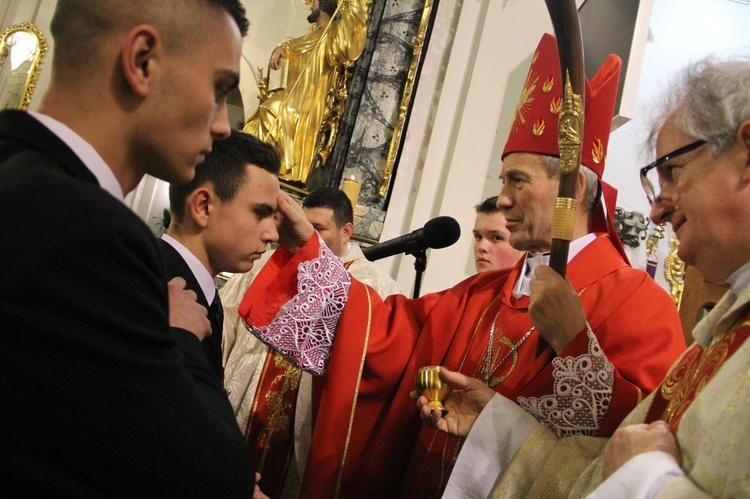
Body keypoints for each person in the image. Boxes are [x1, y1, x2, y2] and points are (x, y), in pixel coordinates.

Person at [235, 33, 686, 498]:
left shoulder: (638, 305)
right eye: (502, 180)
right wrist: (311, 251)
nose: (504, 198)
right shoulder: (481, 294)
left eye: (518, 181)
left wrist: (575, 347)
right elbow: (382, 336)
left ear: (571, 187)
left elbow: (642, 452)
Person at [420, 56, 750, 499]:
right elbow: (596, 470)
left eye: (672, 171)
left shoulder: (635, 301)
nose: (656, 208)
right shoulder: (726, 328)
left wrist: (578, 347)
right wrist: (494, 424)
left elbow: (625, 447)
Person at [0, 1, 260, 496]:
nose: (225, 125)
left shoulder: (17, 173)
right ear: (142, 61)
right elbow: (213, 478)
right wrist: (180, 337)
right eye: (219, 90)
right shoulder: (89, 232)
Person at [221, 186, 403, 497]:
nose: (306, 234)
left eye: (318, 228)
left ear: (346, 232)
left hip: (305, 429)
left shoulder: (375, 286)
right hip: (244, 415)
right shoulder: (269, 264)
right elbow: (227, 322)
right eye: (303, 224)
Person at [159, 130, 281, 382]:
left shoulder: (200, 291)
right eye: (261, 213)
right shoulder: (155, 289)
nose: (272, 234)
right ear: (203, 207)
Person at [243, 0, 369, 184]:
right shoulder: (313, 35)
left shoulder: (332, 34)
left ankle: (284, 163)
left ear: (324, 6)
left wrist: (356, 4)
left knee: (273, 108)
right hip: (294, 97)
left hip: (308, 100)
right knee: (256, 126)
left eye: (314, 2)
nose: (310, 6)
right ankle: (261, 165)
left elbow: (346, 42)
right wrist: (282, 49)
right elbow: (296, 47)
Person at [472, 195, 524, 272]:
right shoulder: (464, 284)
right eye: (478, 237)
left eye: (496, 238)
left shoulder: (541, 283)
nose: (481, 247)